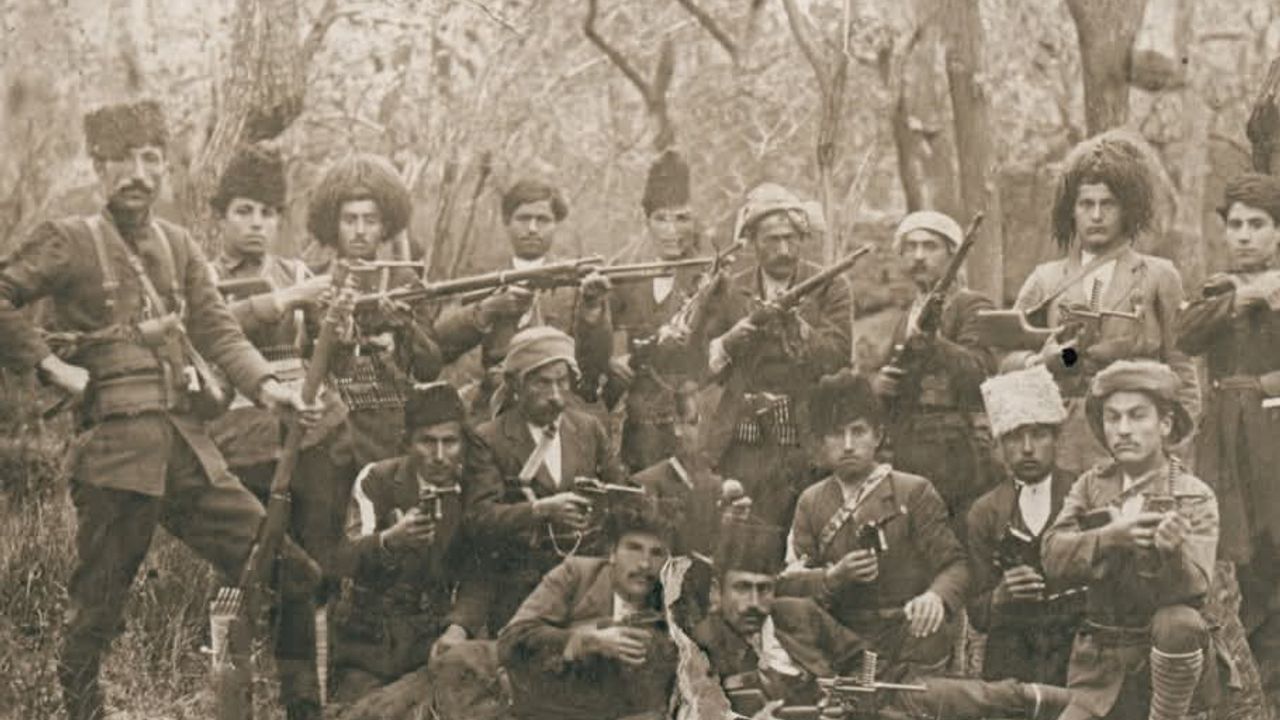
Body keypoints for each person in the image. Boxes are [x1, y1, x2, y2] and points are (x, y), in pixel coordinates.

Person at [0, 99, 322, 720]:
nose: (138, 173)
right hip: (114, 457)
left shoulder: (178, 245)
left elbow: (217, 329)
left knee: (290, 571)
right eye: (122, 159)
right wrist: (49, 364)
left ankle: (304, 710)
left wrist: (267, 387)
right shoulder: (68, 240)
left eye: (151, 159)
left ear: (166, 167)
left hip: (188, 452)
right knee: (98, 609)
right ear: (98, 165)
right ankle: (83, 710)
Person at [205, 143, 347, 719]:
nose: (256, 224)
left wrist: (338, 322)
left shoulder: (297, 272)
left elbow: (330, 357)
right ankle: (231, 691)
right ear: (221, 216)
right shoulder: (204, 278)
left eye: (267, 213)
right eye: (243, 211)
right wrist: (287, 299)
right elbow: (213, 327)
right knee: (240, 569)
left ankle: (302, 697)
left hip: (308, 438)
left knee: (309, 570)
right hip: (239, 440)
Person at [695, 520, 1070, 720]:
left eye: (764, 589)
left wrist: (851, 695)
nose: (755, 603)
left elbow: (864, 661)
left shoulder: (796, 614)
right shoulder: (699, 647)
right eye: (742, 588)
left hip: (872, 703)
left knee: (976, 698)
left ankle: (1065, 703)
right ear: (716, 591)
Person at [1009, 132, 1198, 474]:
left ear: (1127, 209)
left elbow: (1182, 366)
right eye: (1086, 204)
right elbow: (1005, 357)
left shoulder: (1158, 276)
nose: (1096, 215)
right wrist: (1039, 361)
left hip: (1136, 435)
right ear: (1072, 210)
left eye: (1107, 204)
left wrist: (1175, 442)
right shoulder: (1046, 281)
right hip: (1061, 439)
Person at [1042, 360, 1222, 720]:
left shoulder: (1192, 494)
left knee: (1179, 621)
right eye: (1113, 418)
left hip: (1169, 672)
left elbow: (1196, 590)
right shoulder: (1090, 486)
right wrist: (1109, 537)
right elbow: (1051, 555)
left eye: (1138, 416)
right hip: (1100, 669)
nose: (1123, 430)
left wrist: (1171, 555)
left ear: (1165, 424)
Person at [780, 370, 969, 680]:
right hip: (840, 638)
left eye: (858, 431)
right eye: (836, 434)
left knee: (927, 644)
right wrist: (833, 577)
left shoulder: (914, 491)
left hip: (904, 632)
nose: (848, 445)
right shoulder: (811, 502)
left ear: (878, 436)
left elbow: (955, 566)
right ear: (822, 441)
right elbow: (791, 585)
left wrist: (934, 597)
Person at [1177, 171, 1280, 718]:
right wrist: (1245, 296)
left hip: (1275, 437)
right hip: (1225, 442)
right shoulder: (1217, 290)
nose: (1243, 235)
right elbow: (1187, 334)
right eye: (1235, 224)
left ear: (1278, 232)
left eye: (1257, 224)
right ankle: (1252, 687)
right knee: (1239, 560)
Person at [701, 183, 853, 527]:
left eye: (791, 238)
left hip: (805, 439)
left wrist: (798, 327)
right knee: (742, 532)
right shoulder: (728, 290)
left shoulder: (830, 285)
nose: (784, 249)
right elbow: (699, 367)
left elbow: (839, 357)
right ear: (753, 241)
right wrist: (729, 341)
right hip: (742, 441)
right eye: (772, 239)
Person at [328, 382, 489, 701]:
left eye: (450, 442)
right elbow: (345, 558)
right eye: (427, 441)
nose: (439, 456)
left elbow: (480, 573)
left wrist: (459, 628)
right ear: (407, 441)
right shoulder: (376, 480)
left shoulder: (473, 491)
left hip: (436, 636)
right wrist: (389, 542)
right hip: (371, 643)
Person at [467, 325, 628, 632]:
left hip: (582, 585)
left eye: (562, 381)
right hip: (519, 587)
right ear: (516, 384)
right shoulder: (488, 439)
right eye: (542, 383)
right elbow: (479, 518)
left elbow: (619, 492)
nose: (555, 396)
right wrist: (540, 510)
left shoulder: (588, 429)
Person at [434, 179, 612, 417]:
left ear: (556, 225)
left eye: (543, 220)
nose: (532, 229)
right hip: (498, 404)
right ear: (507, 221)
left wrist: (592, 309)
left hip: (559, 403)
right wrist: (487, 309)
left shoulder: (575, 283)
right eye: (523, 218)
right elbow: (438, 348)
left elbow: (595, 364)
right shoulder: (484, 275)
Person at [497, 498, 678, 720]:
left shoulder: (672, 602)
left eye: (657, 553)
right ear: (612, 552)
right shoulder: (577, 575)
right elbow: (511, 639)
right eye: (634, 549)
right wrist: (583, 641)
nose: (645, 564)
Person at [872, 210, 996, 534]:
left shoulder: (972, 306)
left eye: (930, 246)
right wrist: (880, 385)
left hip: (957, 451)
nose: (919, 256)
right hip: (908, 449)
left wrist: (935, 344)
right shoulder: (906, 316)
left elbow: (982, 372)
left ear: (952, 253)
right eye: (911, 247)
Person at [966, 365, 1081, 685]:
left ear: (1056, 439)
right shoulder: (985, 512)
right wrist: (1000, 595)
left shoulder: (1082, 496)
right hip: (1012, 657)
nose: (1027, 448)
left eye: (1039, 434)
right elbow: (977, 613)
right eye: (1015, 436)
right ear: (1000, 445)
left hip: (1075, 653)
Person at [602, 150, 710, 472]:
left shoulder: (709, 278)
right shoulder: (625, 275)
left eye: (682, 218)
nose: (672, 231)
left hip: (692, 421)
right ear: (646, 221)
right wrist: (611, 361)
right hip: (637, 422)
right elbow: (597, 340)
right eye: (661, 218)